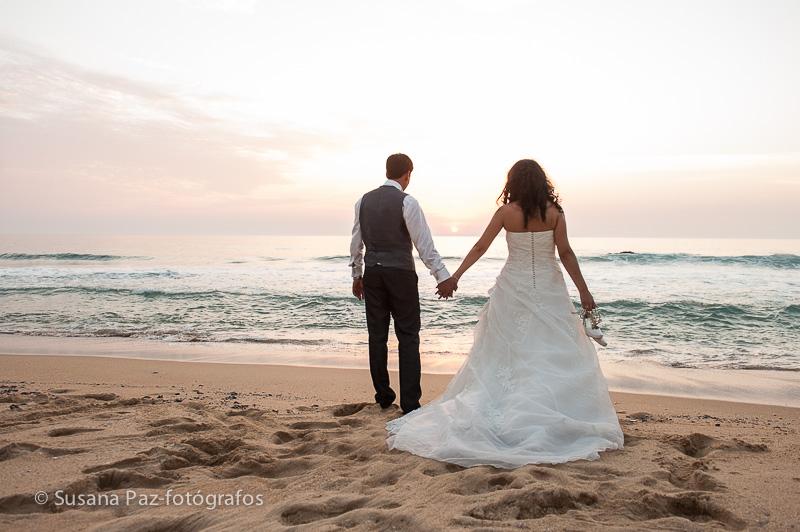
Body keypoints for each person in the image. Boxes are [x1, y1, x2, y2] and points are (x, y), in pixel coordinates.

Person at [385, 159, 624, 468]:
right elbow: (565, 253)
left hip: (513, 288)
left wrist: (455, 276)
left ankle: (513, 409)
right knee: (549, 350)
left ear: (513, 182)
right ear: (541, 182)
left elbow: (480, 246)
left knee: (510, 352)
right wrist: (584, 291)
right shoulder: (555, 213)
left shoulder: (505, 213)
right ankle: (548, 408)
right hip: (549, 290)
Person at [349, 153, 458, 414]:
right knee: (408, 336)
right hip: (400, 274)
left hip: (373, 275)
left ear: (387, 171)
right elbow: (424, 245)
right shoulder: (407, 202)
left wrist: (357, 275)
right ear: (408, 174)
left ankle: (384, 396)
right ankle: (410, 404)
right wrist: (442, 276)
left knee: (377, 336)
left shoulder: (362, 201)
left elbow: (356, 242)